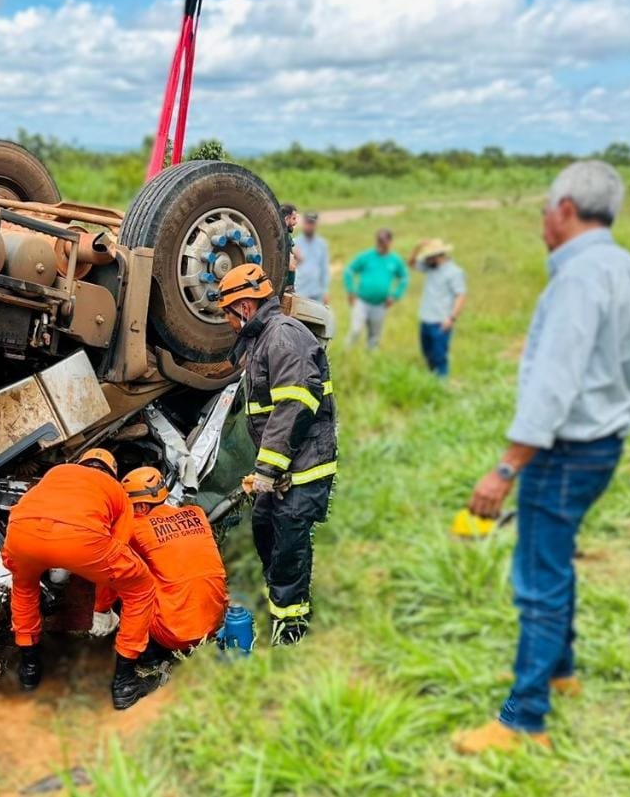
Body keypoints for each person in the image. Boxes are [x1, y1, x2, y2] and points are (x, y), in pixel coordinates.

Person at [454, 161, 630, 755]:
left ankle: (523, 718)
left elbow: (553, 386)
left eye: (545, 210)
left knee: (537, 581)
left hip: (564, 453)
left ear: (565, 209)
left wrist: (506, 468)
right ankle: (558, 670)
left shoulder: (578, 280)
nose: (543, 221)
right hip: (603, 446)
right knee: (556, 560)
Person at [217, 263, 338, 646]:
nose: (228, 322)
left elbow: (295, 406)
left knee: (288, 541)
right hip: (284, 466)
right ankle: (281, 598)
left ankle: (292, 626)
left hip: (303, 467)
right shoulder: (263, 339)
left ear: (246, 307)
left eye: (228, 313)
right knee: (265, 529)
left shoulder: (283, 337)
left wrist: (270, 467)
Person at [1, 448, 160, 710]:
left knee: (25, 587)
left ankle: (29, 669)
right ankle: (124, 683)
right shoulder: (116, 489)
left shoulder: (56, 472)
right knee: (140, 589)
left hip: (21, 532)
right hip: (81, 540)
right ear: (113, 472)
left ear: (81, 462)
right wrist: (101, 608)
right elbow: (117, 552)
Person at [96, 467, 228, 657]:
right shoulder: (197, 513)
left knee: (123, 576)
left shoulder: (135, 527)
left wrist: (100, 610)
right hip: (213, 623)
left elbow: (111, 569)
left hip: (173, 635)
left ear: (141, 507)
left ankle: (147, 653)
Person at [343, 228, 408, 350]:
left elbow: (404, 278)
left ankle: (370, 359)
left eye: (384, 241)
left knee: (374, 337)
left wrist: (395, 296)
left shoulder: (395, 260)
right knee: (356, 330)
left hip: (380, 304)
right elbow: (349, 271)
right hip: (362, 301)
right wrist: (351, 290)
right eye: (379, 241)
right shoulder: (367, 256)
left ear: (390, 242)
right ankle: (346, 353)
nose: (381, 244)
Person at [409, 238, 466, 376]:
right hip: (426, 319)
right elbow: (411, 263)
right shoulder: (430, 267)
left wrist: (452, 318)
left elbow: (461, 295)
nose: (426, 260)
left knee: (439, 357)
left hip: (441, 322)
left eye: (429, 257)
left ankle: (441, 387)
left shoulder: (454, 272)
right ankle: (432, 382)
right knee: (427, 355)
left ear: (438, 256)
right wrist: (417, 247)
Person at [295, 212, 330, 305]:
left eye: (312, 224)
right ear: (303, 224)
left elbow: (324, 269)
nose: (309, 226)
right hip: (300, 291)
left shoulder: (322, 244)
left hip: (316, 292)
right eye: (307, 223)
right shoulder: (295, 243)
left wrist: (325, 291)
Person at [281, 203, 301, 292]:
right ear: (286, 219)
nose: (295, 222)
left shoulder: (286, 235)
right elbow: (291, 265)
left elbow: (296, 251)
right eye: (294, 218)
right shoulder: (283, 236)